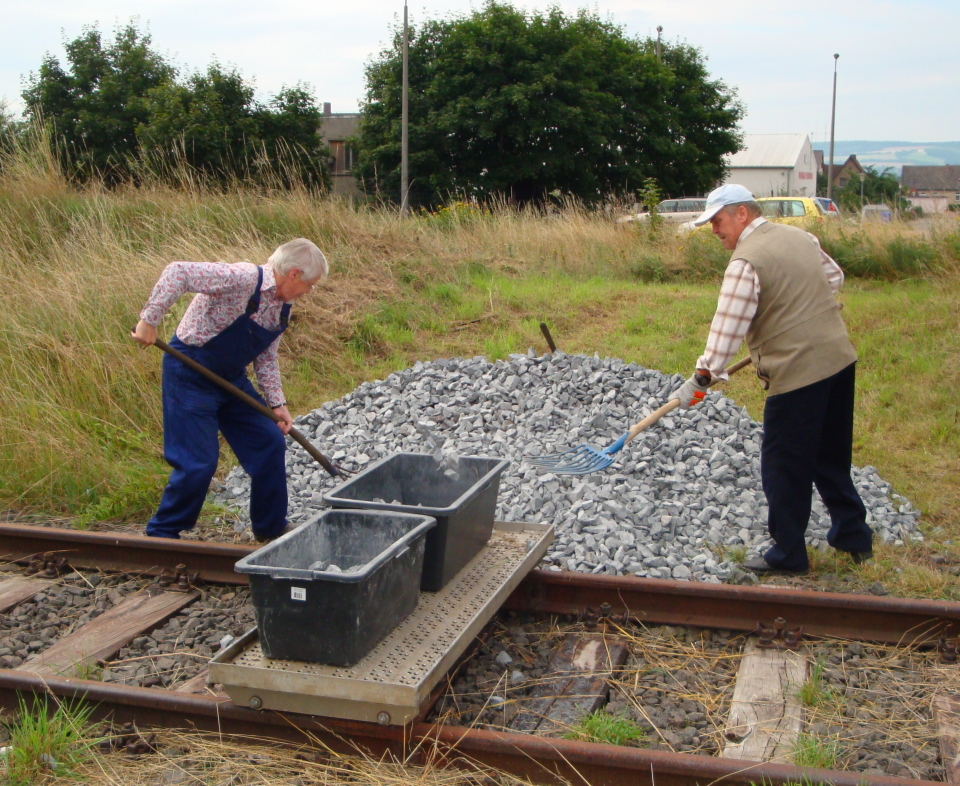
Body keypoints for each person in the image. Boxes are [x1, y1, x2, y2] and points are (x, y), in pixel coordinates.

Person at [672, 184, 873, 575]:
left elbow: (727, 329)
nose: (714, 230)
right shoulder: (799, 236)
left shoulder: (745, 262)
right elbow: (833, 277)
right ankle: (854, 538)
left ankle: (788, 554)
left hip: (798, 373)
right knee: (831, 456)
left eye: (717, 220)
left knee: (784, 465)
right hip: (838, 358)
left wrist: (702, 376)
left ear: (741, 214)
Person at [131, 238, 328, 541]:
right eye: (309, 285)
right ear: (294, 274)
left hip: (230, 380)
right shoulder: (243, 278)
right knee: (198, 463)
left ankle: (271, 530)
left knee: (269, 441)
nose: (308, 292)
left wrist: (277, 403)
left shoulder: (282, 307)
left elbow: (265, 356)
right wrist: (149, 320)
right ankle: (162, 535)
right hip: (190, 374)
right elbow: (177, 272)